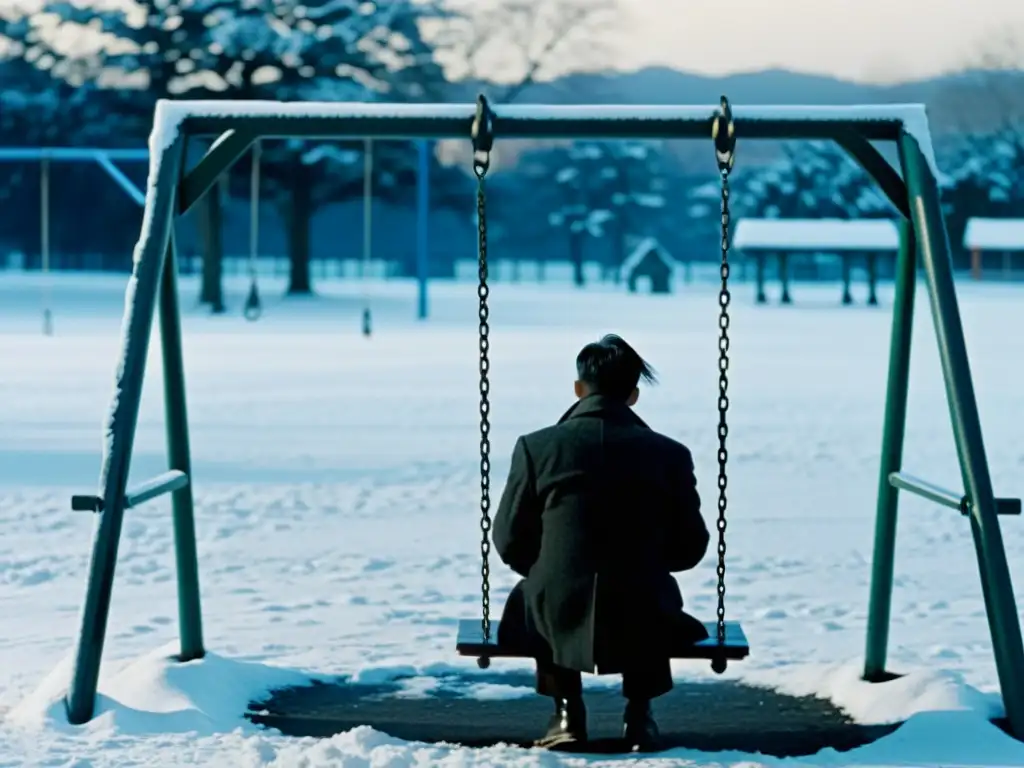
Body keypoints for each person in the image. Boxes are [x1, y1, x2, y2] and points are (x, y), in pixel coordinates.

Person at [492, 334, 710, 753]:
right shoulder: (670, 454)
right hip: (644, 605)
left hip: (554, 602)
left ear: (578, 389)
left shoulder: (536, 448)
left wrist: (550, 565)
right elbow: (690, 547)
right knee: (648, 592)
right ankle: (640, 715)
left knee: (542, 594)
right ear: (633, 396)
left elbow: (508, 539)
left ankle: (567, 713)